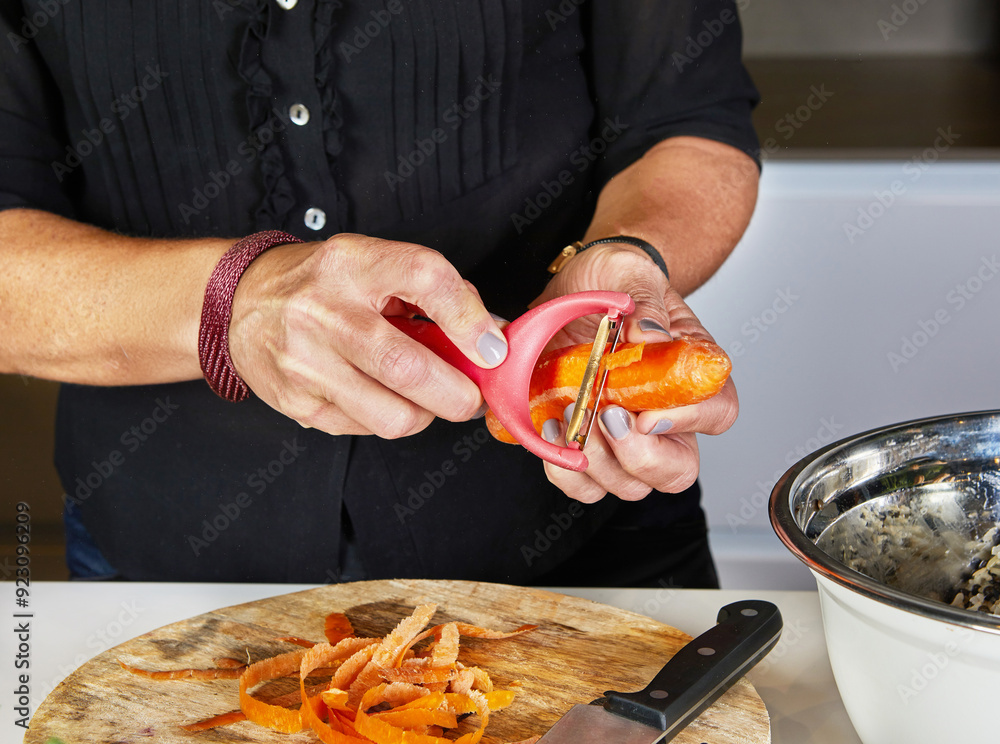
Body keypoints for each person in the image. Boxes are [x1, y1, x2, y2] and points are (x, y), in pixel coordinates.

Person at [0, 0, 760, 587]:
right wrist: (234, 303)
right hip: (163, 570)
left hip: (589, 553)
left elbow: (691, 122)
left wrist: (620, 254)